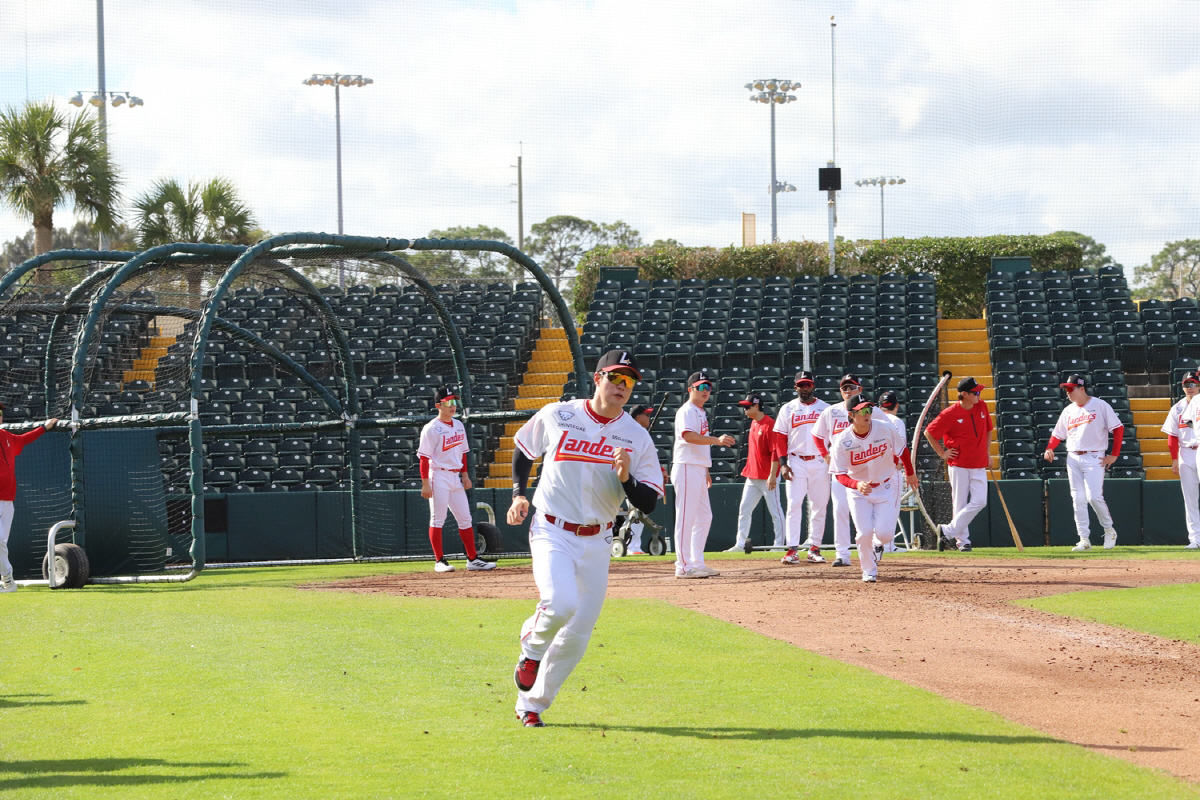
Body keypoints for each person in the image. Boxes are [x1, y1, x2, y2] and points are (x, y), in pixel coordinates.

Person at [507, 349, 663, 727]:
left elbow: (652, 501)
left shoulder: (637, 436)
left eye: (630, 381)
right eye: (616, 378)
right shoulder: (559, 414)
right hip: (551, 528)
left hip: (598, 539)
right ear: (598, 378)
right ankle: (531, 648)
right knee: (560, 603)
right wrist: (518, 492)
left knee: (577, 634)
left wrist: (627, 479)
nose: (623, 387)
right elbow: (523, 449)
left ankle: (532, 705)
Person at [830, 394, 918, 582]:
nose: (867, 413)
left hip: (885, 486)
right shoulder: (842, 440)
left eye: (868, 409)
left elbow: (902, 450)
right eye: (861, 410)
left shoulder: (884, 428)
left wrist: (910, 473)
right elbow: (839, 474)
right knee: (863, 533)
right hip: (858, 492)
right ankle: (869, 570)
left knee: (885, 535)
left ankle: (879, 545)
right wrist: (856, 484)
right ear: (851, 415)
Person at [812, 374, 892, 567]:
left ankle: (874, 544)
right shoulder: (831, 412)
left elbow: (888, 431)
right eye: (844, 388)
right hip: (842, 468)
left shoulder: (870, 410)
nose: (848, 391)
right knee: (840, 509)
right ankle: (842, 554)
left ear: (860, 389)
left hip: (868, 466)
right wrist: (825, 454)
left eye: (852, 387)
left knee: (872, 509)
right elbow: (817, 435)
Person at [418, 386, 495, 573]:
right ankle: (439, 561)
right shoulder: (431, 428)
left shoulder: (459, 425)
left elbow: (463, 453)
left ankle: (472, 559)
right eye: (448, 402)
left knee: (466, 518)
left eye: (455, 402)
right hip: (438, 475)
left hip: (455, 476)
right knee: (438, 519)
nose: (453, 406)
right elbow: (424, 458)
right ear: (438, 405)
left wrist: (466, 475)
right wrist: (425, 484)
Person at [1042, 374, 1123, 551]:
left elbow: (1118, 428)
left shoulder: (1100, 405)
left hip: (1094, 456)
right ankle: (1084, 539)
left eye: (1071, 388)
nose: (1068, 392)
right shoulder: (1069, 410)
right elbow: (1057, 433)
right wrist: (1050, 448)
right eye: (1066, 389)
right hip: (1073, 457)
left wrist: (1114, 455)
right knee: (1077, 498)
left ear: (1082, 388)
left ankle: (1109, 530)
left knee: (1093, 496)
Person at [672, 371, 735, 579]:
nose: (705, 391)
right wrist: (717, 440)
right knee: (685, 518)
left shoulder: (699, 411)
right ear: (690, 389)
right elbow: (688, 437)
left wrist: (706, 469)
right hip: (686, 466)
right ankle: (682, 566)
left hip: (697, 467)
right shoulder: (687, 410)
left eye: (707, 387)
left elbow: (697, 442)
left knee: (704, 516)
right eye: (700, 387)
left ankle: (697, 562)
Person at [922, 377, 994, 552]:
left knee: (980, 501)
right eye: (975, 392)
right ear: (964, 394)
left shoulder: (982, 406)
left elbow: (988, 430)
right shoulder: (949, 414)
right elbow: (929, 432)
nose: (979, 394)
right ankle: (963, 542)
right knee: (959, 503)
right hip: (959, 464)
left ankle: (948, 530)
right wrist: (942, 453)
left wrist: (987, 453)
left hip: (978, 463)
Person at [773, 371, 830, 564]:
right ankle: (792, 549)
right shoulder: (787, 408)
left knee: (819, 506)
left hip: (820, 461)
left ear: (813, 386)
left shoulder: (825, 409)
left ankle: (814, 548)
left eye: (807, 385)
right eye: (800, 385)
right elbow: (780, 437)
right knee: (794, 504)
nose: (804, 389)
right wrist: (783, 464)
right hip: (795, 460)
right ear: (795, 387)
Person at [0, 408, 59, 592]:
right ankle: (8, 581)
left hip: (8, 500)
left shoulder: (7, 436)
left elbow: (24, 439)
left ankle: (5, 581)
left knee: (2, 544)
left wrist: (44, 427)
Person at [725, 392, 786, 553]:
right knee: (744, 509)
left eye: (747, 406)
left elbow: (775, 452)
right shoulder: (754, 423)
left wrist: (773, 475)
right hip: (752, 475)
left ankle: (779, 545)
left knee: (776, 511)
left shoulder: (769, 424)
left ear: (757, 406)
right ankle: (739, 544)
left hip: (767, 476)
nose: (745, 409)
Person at [1168, 371, 1200, 549]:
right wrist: (1174, 459)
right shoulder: (1177, 408)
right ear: (1182, 387)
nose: (1190, 387)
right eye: (1187, 384)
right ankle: (1195, 539)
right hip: (1186, 452)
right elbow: (1172, 436)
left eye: (1193, 384)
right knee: (1190, 499)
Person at [620, 403, 657, 555]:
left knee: (638, 512)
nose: (649, 417)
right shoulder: (632, 432)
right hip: (629, 476)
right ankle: (631, 546)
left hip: (636, 476)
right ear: (638, 417)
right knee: (635, 511)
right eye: (646, 415)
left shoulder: (640, 433)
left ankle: (633, 545)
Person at [877, 390, 907, 552]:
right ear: (896, 405)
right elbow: (900, 447)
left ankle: (876, 544)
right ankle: (888, 545)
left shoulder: (873, 420)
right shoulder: (896, 421)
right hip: (891, 470)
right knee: (891, 506)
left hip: (873, 471)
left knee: (875, 508)